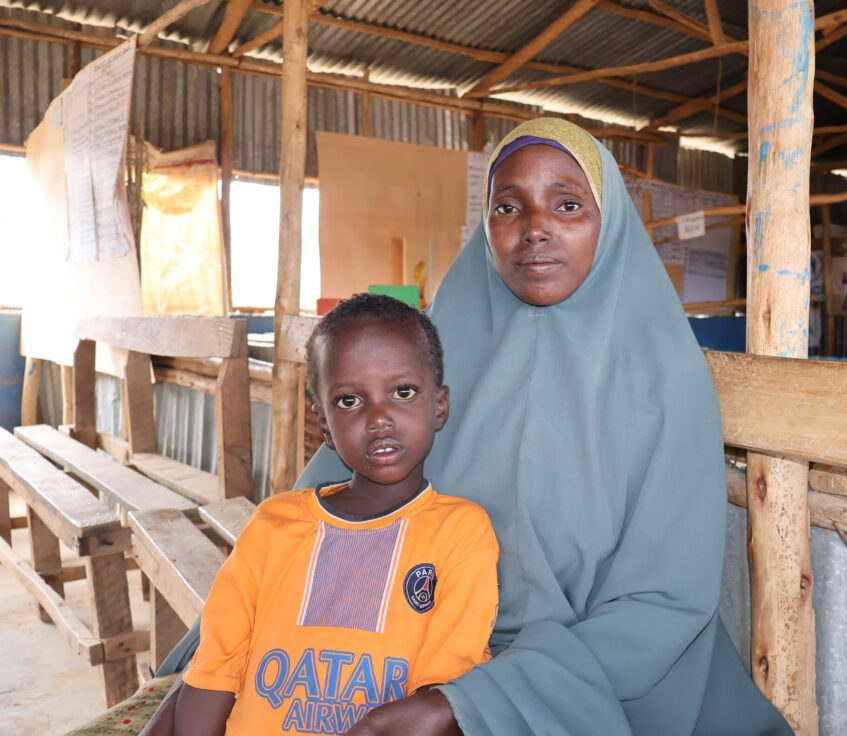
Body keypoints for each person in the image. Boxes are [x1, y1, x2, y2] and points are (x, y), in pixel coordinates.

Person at [142, 118, 790, 736]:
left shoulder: (664, 383)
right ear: (484, 227)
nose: (535, 229)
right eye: (508, 208)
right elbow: (328, 507)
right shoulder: (438, 348)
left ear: (609, 221)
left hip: (590, 679)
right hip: (413, 642)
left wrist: (472, 703)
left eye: (567, 205)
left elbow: (664, 605)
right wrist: (223, 652)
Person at [172, 294, 499, 735]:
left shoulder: (460, 531)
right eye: (349, 401)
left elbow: (443, 696)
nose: (379, 418)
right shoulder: (275, 524)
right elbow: (214, 671)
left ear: (439, 405)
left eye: (403, 392)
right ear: (324, 424)